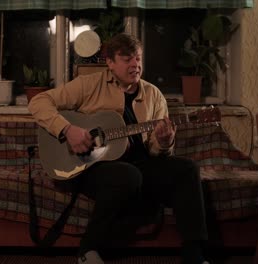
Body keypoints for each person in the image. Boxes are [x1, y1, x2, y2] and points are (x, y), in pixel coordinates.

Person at [28, 33, 208, 264]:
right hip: (95, 166)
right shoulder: (89, 85)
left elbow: (156, 151)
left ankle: (195, 254)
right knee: (127, 175)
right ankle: (88, 249)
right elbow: (38, 102)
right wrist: (67, 130)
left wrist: (165, 142)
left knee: (188, 168)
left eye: (139, 59)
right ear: (110, 63)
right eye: (127, 59)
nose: (135, 64)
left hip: (141, 165)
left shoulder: (153, 95)